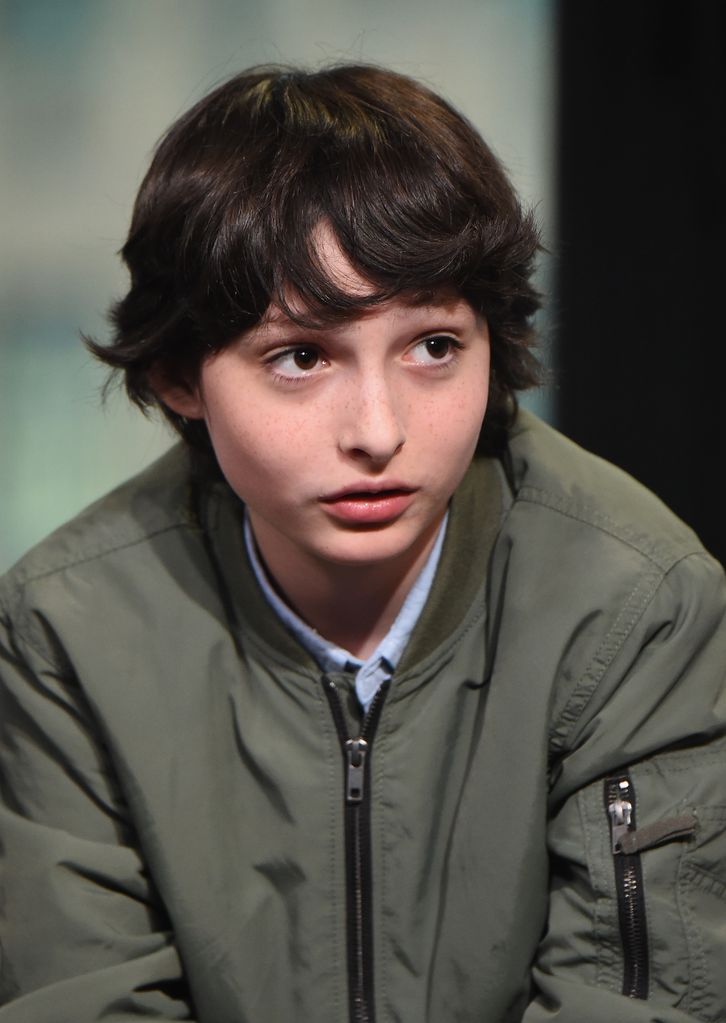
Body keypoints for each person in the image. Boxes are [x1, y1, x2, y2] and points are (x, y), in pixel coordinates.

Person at [0, 64, 724, 1023]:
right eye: (302, 356)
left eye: (433, 347)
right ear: (180, 377)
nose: (379, 430)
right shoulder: (69, 630)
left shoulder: (636, 599)